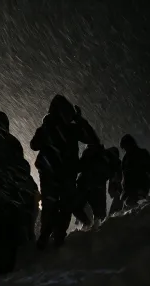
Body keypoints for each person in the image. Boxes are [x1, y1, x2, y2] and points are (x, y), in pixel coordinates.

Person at [31, 95, 99, 249]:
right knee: (60, 205)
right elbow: (93, 140)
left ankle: (49, 238)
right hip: (58, 173)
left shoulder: (62, 129)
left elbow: (34, 145)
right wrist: (79, 121)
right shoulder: (68, 129)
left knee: (55, 205)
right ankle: (52, 238)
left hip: (56, 173)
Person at [0, 112, 38, 274]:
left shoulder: (4, 143)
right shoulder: (0, 141)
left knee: (5, 228)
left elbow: (3, 166)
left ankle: (5, 265)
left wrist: (2, 186)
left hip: (4, 192)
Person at [120, 134, 150, 207]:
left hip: (140, 186)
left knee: (136, 205)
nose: (125, 150)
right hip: (130, 189)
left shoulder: (141, 154)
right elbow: (124, 175)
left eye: (126, 147)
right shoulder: (126, 158)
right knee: (130, 204)